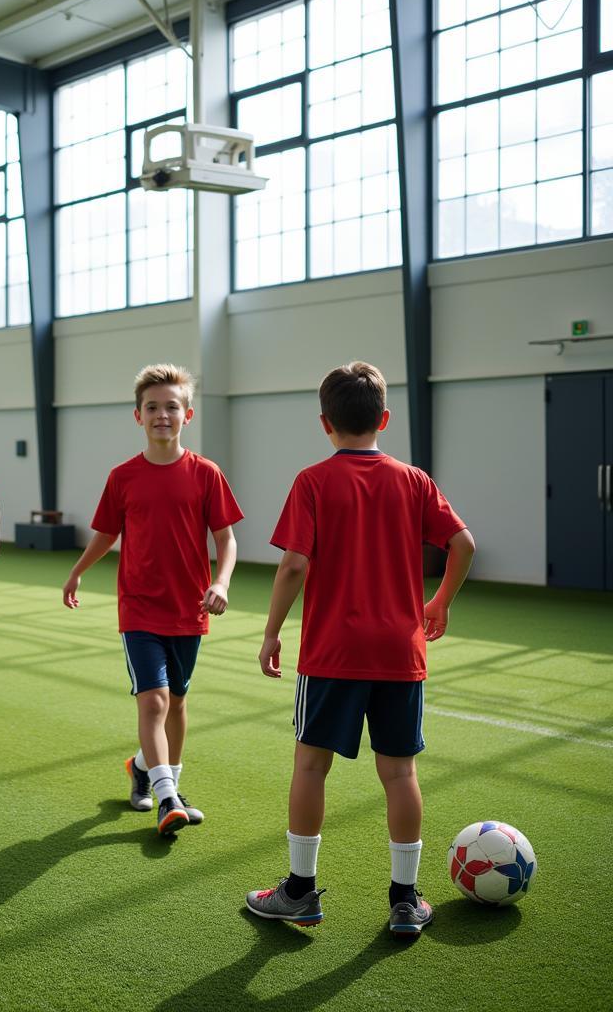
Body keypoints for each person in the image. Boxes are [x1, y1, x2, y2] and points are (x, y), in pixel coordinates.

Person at [244, 361, 475, 936]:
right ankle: (404, 901)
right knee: (400, 773)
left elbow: (295, 564)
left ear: (326, 423)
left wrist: (272, 631)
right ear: (385, 418)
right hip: (400, 652)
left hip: (333, 653)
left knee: (310, 764)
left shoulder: (313, 481)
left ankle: (298, 892)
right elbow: (463, 542)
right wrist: (440, 601)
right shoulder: (413, 480)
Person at [63, 364, 244, 836]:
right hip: (139, 609)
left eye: (171, 407)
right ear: (137, 416)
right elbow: (105, 536)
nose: (162, 415)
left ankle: (149, 772)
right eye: (152, 408)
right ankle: (168, 799)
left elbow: (226, 541)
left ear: (188, 414)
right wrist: (78, 572)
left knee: (178, 704)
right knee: (155, 703)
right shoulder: (123, 477)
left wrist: (220, 583)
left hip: (190, 610)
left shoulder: (206, 474)